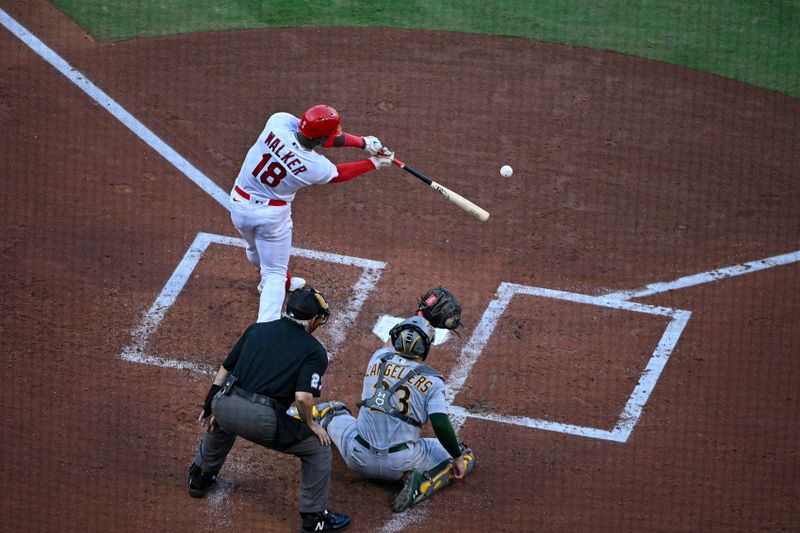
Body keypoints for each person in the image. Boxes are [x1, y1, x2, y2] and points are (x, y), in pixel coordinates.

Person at [187, 286, 351, 532]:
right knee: (318, 447)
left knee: (221, 420)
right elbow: (303, 398)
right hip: (263, 419)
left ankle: (199, 478)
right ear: (314, 319)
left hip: (225, 402)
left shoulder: (257, 329)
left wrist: (211, 404)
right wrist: (310, 424)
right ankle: (314, 518)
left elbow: (225, 369)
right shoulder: (314, 351)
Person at [229, 104, 394, 323]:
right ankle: (265, 329)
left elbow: (314, 135)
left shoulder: (277, 122)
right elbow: (337, 174)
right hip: (270, 217)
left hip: (239, 205)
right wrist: (372, 162)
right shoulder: (313, 165)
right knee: (274, 273)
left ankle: (279, 283)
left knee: (253, 247)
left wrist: (363, 143)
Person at [302, 314, 475, 513]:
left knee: (334, 411)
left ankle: (298, 415)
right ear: (425, 348)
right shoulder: (433, 381)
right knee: (463, 454)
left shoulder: (378, 358)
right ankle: (421, 485)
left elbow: (390, 345)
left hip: (357, 457)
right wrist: (457, 457)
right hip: (400, 463)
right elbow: (441, 425)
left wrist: (419, 316)